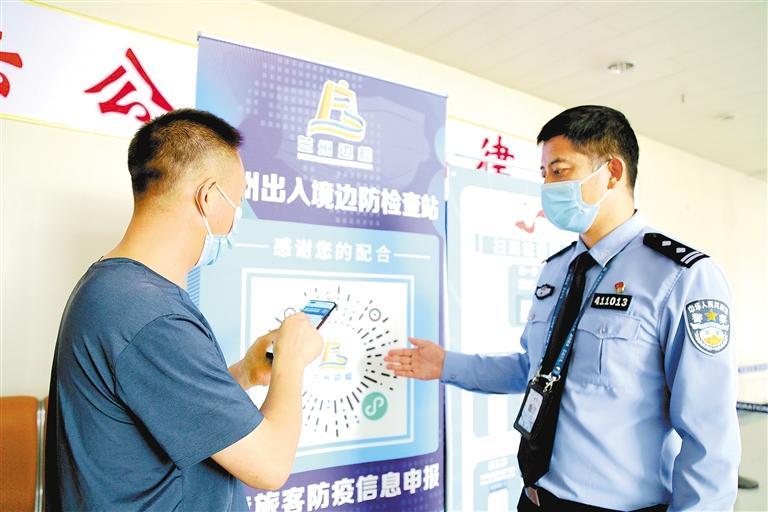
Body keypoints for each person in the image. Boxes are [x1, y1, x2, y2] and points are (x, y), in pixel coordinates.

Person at [385, 106, 739, 511]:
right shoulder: (558, 270)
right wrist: (446, 364)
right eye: (543, 174)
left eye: (559, 171)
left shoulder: (679, 277)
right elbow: (534, 369)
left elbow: (709, 433)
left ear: (612, 172)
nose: (548, 186)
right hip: (534, 499)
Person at [45, 109, 323, 511]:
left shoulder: (114, 287)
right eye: (238, 199)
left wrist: (245, 373)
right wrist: (291, 362)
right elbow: (270, 465)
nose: (237, 215)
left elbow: (164, 406)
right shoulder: (150, 315)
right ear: (208, 197)